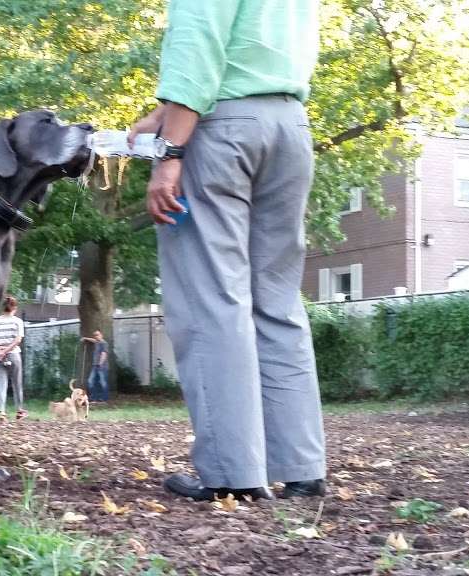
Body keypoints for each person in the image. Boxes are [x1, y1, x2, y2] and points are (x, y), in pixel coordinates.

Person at [127, 0, 326, 502]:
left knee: (213, 301)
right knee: (277, 302)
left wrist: (170, 153)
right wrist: (165, 113)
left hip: (223, 133)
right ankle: (301, 467)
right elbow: (253, 50)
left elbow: (198, 51)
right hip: (289, 127)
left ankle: (232, 472)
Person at [0, 296, 27, 421]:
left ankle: (2, 413)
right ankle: (20, 411)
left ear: (2, 307)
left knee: (1, 384)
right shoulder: (17, 321)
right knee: (17, 384)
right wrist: (7, 349)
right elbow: (18, 339)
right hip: (14, 354)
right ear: (14, 308)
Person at [81, 330, 109, 402]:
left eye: (97, 334)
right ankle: (93, 398)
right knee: (90, 381)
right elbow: (93, 340)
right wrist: (85, 338)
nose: (96, 336)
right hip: (94, 366)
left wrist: (100, 363)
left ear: (101, 335)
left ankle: (104, 399)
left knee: (103, 382)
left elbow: (104, 354)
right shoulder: (97, 342)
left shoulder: (104, 343)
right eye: (95, 335)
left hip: (102, 366)